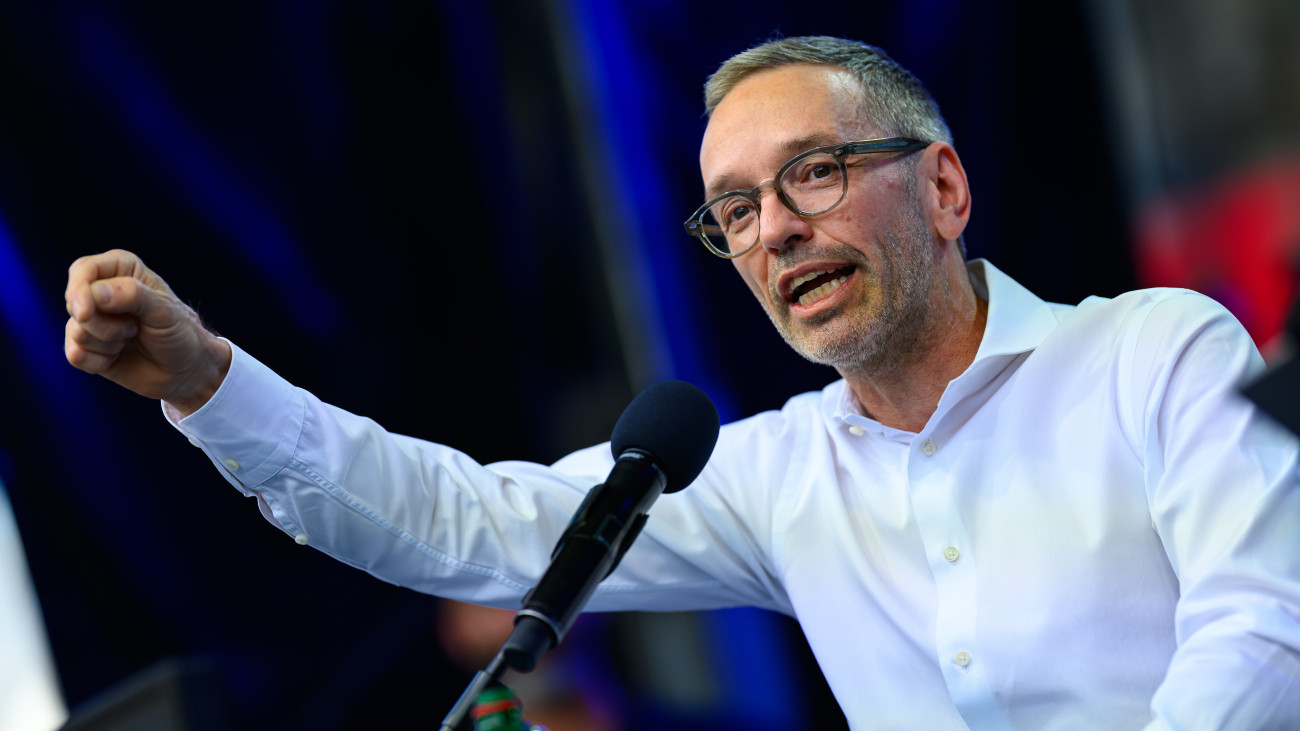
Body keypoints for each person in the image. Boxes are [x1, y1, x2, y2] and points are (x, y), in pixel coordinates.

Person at [64, 36, 1300, 729]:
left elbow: (1260, 629)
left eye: (812, 172)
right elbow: (460, 520)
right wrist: (211, 380)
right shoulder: (775, 477)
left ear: (942, 188)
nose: (773, 231)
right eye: (734, 210)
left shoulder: (1155, 351)